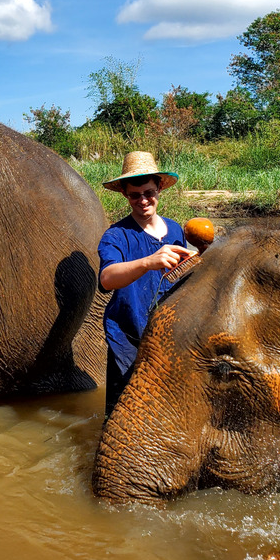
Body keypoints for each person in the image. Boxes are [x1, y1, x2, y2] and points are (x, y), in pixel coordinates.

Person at [98, 151, 191, 415]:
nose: (143, 201)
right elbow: (107, 278)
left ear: (160, 188)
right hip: (127, 339)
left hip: (166, 339)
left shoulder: (175, 231)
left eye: (148, 193)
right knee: (119, 416)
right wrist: (148, 262)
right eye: (134, 195)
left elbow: (179, 279)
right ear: (125, 195)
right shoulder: (115, 236)